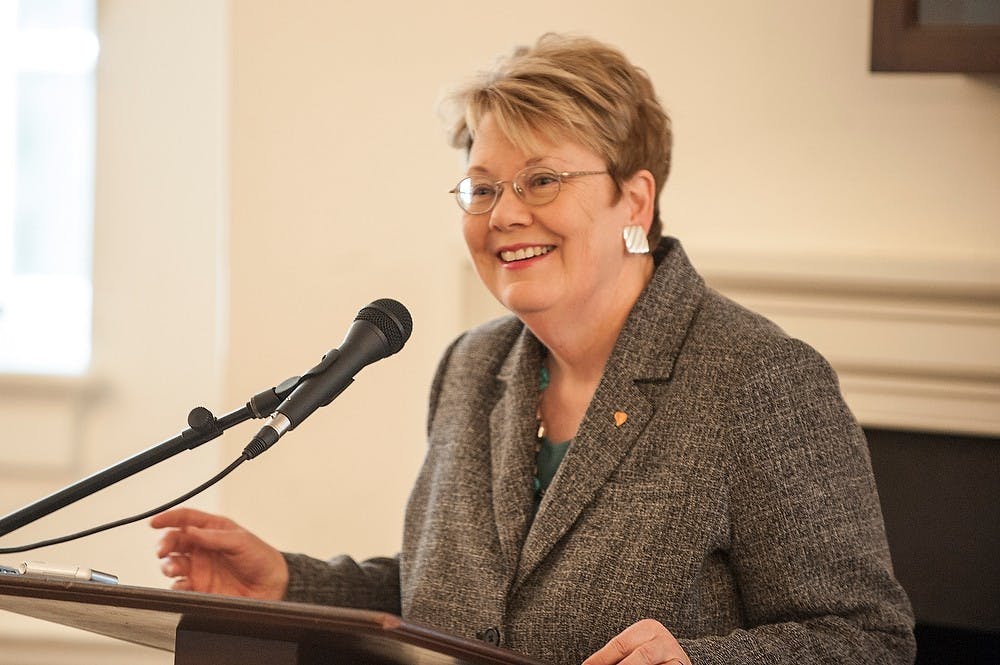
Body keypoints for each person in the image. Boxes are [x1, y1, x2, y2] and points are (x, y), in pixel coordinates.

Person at [152, 34, 916, 665]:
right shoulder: (473, 367)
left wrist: (700, 662)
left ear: (636, 201)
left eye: (541, 180)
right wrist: (290, 582)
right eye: (481, 188)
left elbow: (868, 638)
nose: (505, 213)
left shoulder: (758, 380)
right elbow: (453, 606)